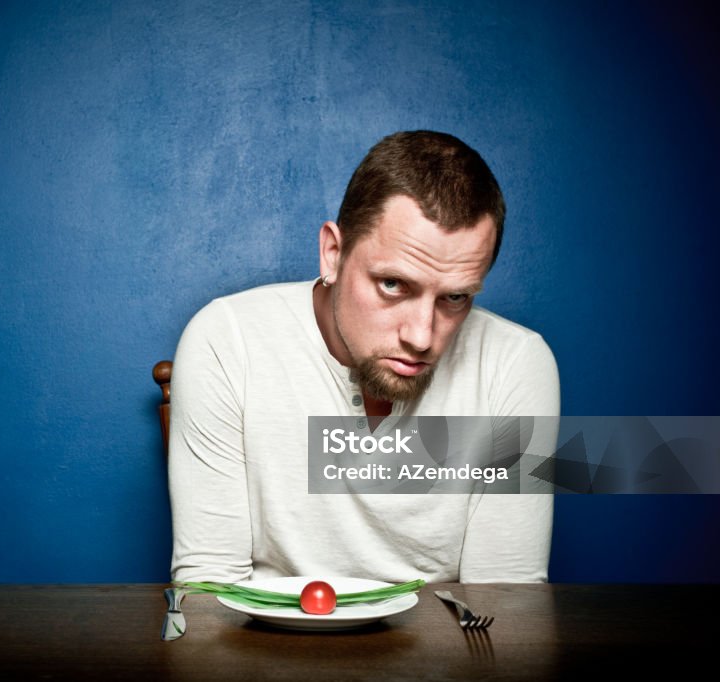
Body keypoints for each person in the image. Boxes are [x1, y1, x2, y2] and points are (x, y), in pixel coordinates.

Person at [168, 131, 560, 584]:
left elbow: (504, 602)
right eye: (393, 284)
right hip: (263, 647)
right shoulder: (228, 340)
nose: (421, 336)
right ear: (333, 254)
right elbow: (208, 588)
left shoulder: (515, 364)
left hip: (448, 653)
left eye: (454, 297)